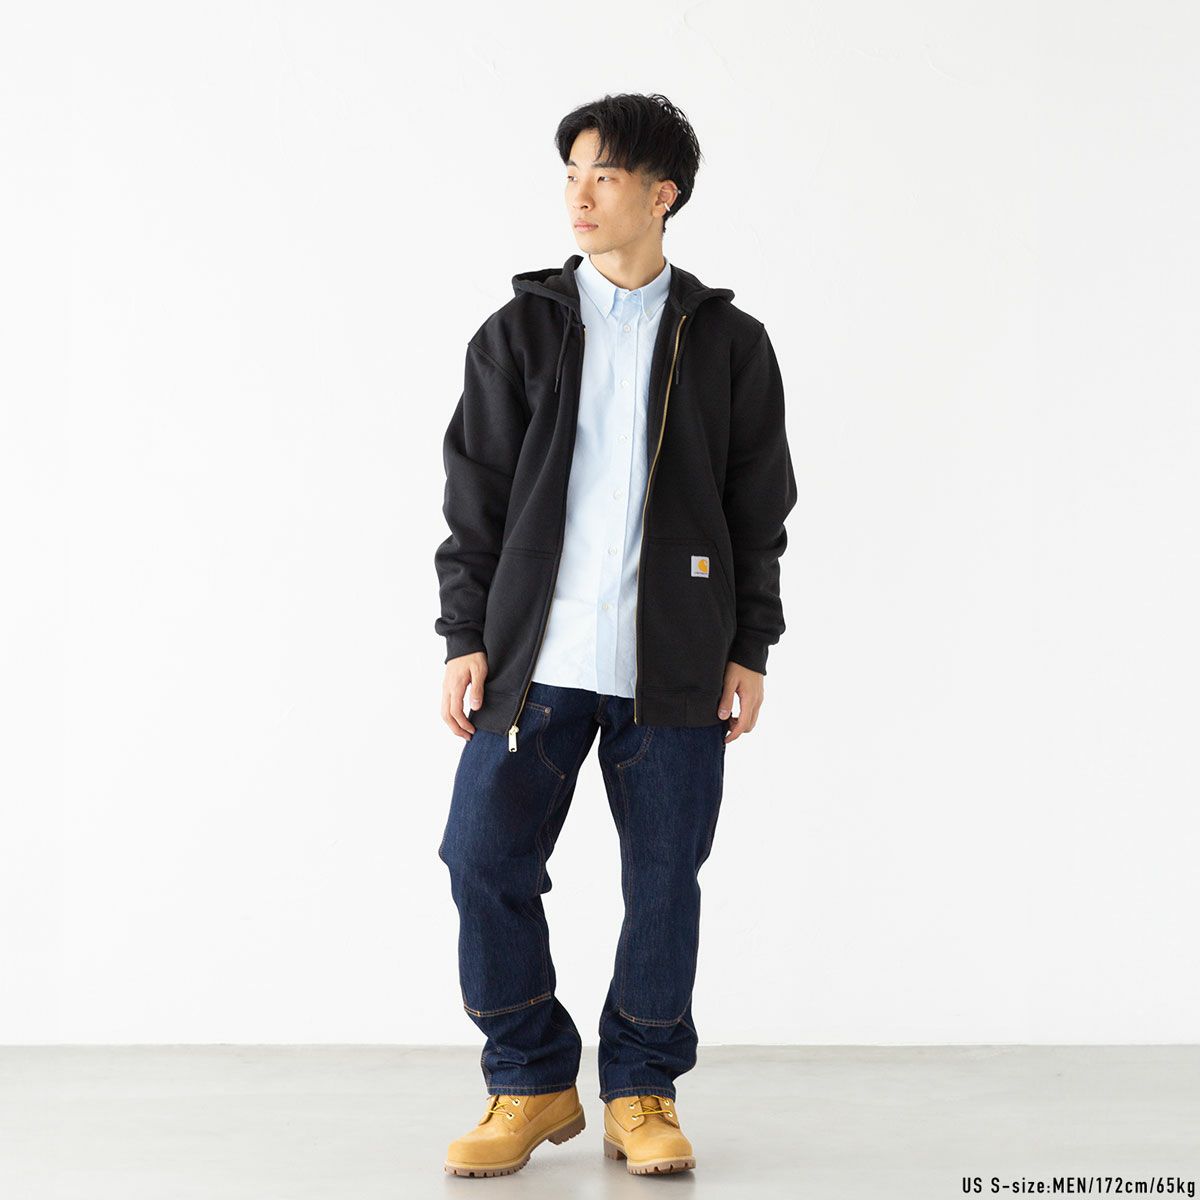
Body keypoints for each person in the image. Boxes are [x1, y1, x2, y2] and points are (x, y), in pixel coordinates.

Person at [432, 92, 797, 1178]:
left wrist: (752, 645)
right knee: (480, 858)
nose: (580, 196)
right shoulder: (519, 334)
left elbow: (758, 509)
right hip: (535, 663)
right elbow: (475, 499)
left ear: (662, 193)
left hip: (673, 667)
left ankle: (642, 1088)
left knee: (664, 885)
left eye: (604, 175)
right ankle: (530, 1078)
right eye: (571, 174)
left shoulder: (728, 344)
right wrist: (463, 634)